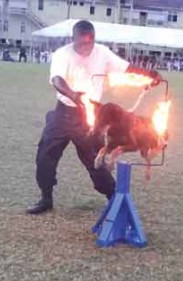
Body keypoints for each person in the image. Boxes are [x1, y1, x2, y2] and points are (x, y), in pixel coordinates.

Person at [27, 20, 162, 214]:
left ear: (94, 39)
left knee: (96, 159)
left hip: (89, 117)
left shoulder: (103, 52)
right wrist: (74, 95)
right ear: (73, 39)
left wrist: (148, 74)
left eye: (89, 43)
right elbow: (57, 79)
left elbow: (126, 68)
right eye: (81, 43)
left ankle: (114, 199)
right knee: (45, 155)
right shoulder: (62, 54)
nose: (85, 47)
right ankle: (45, 197)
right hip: (64, 112)